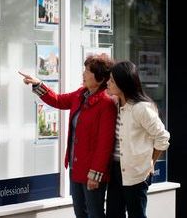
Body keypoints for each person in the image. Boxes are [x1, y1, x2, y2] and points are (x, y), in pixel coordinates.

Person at [19, 55, 117, 218]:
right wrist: (38, 84)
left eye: (87, 71)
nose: (83, 73)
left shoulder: (106, 103)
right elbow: (57, 100)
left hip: (92, 172)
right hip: (75, 166)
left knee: (95, 214)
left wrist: (96, 173)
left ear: (99, 78)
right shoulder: (81, 94)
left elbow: (104, 143)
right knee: (80, 213)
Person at [106, 61, 170, 218]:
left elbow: (163, 137)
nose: (108, 83)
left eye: (112, 80)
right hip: (115, 170)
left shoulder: (141, 108)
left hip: (137, 173)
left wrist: (151, 163)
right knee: (113, 214)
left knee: (136, 215)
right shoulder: (115, 105)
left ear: (123, 83)